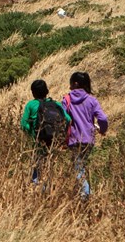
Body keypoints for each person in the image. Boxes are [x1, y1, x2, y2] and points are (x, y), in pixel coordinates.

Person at [63, 71, 108, 199]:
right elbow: (103, 118)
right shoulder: (91, 100)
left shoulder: (66, 100)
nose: (70, 86)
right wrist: (102, 130)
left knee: (78, 167)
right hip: (88, 139)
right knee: (81, 165)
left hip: (73, 139)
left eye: (71, 84)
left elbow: (63, 118)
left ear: (75, 84)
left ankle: (85, 195)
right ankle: (84, 194)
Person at [21, 79, 71, 184]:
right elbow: (68, 119)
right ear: (47, 91)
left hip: (39, 140)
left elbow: (23, 124)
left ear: (33, 92)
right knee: (50, 165)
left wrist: (33, 133)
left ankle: (37, 187)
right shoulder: (56, 104)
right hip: (54, 140)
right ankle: (48, 187)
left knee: (37, 164)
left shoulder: (31, 105)